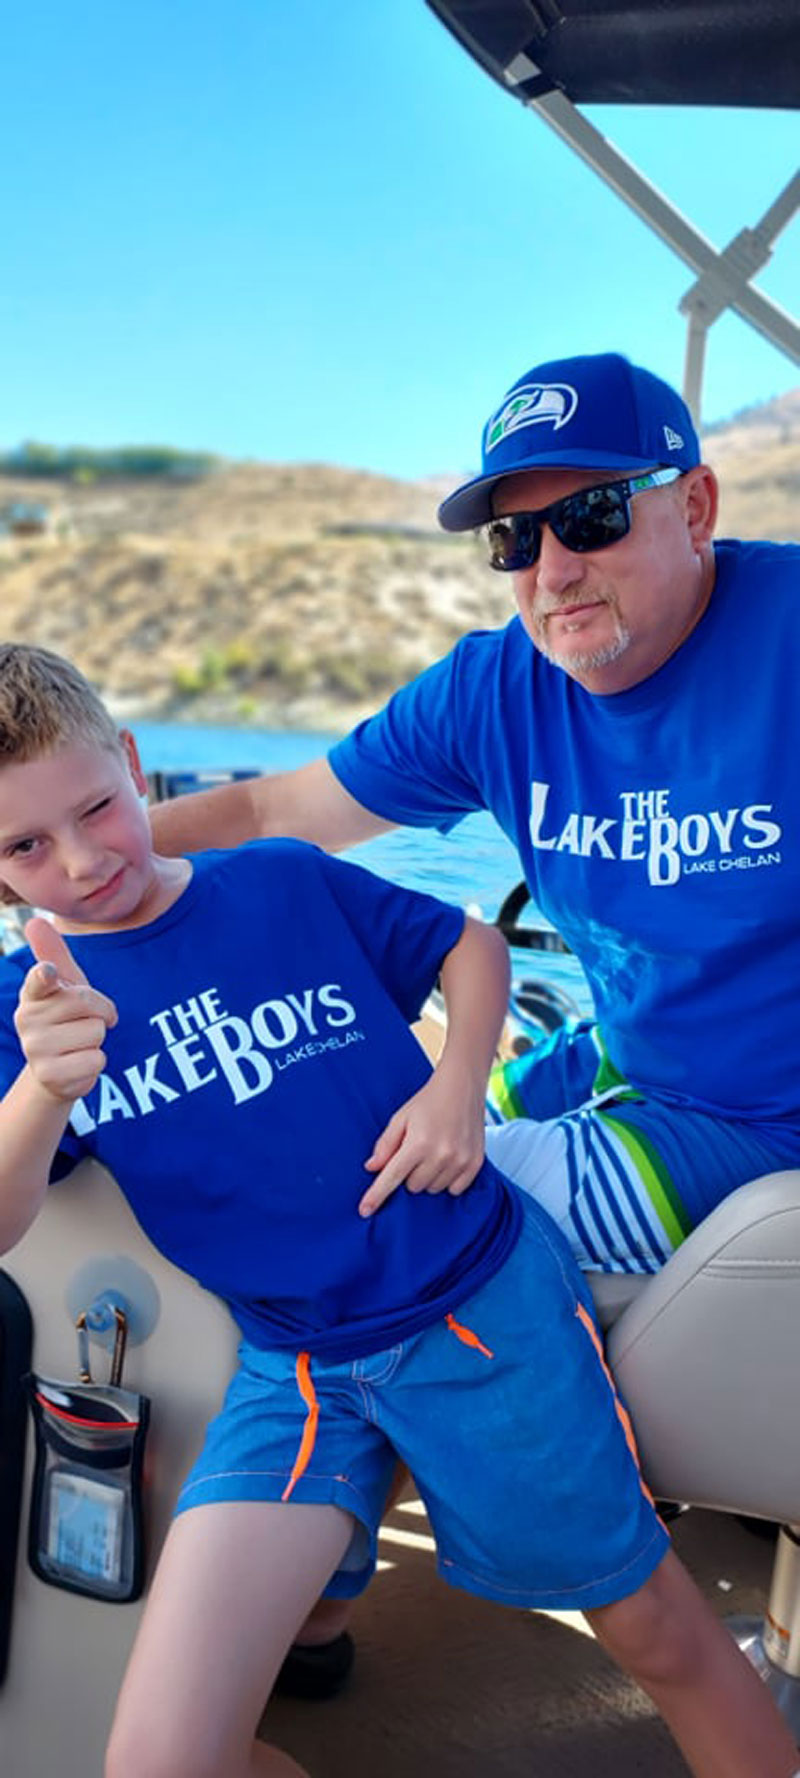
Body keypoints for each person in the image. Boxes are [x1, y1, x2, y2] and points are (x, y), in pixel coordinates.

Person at [0, 645, 796, 1778]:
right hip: (294, 1370)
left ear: (134, 765)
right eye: (25, 846)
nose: (83, 861)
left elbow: (467, 946)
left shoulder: (278, 882)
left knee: (656, 1633)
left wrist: (458, 1087)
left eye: (94, 808)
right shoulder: (32, 1013)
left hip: (475, 1310)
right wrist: (42, 1089)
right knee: (158, 1760)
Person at [149, 349, 800, 1284]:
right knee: (375, 1132)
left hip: (769, 1126)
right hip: (628, 1058)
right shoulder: (494, 692)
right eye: (516, 539)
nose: (553, 570)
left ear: (695, 507)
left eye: (592, 516)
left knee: (399, 1211)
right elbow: (271, 810)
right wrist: (83, 851)